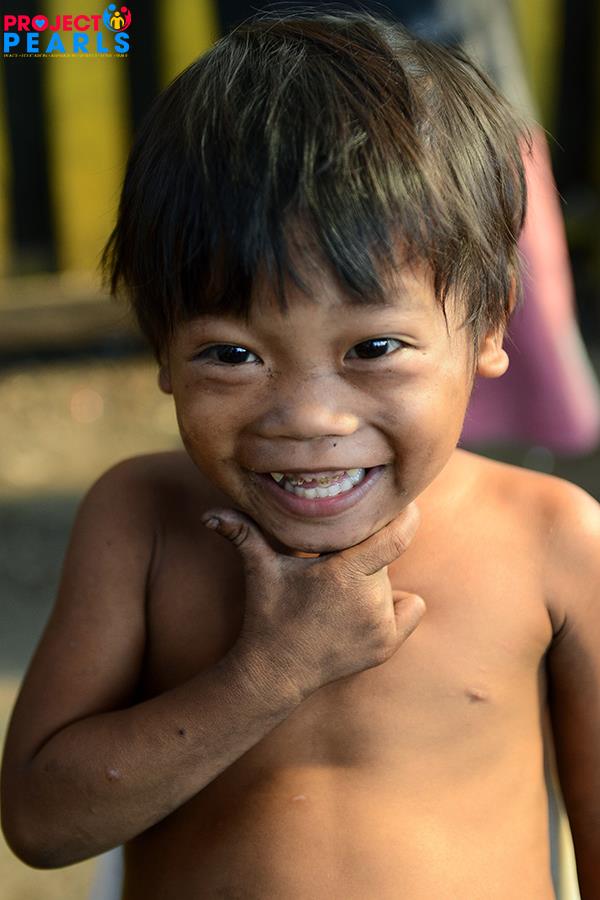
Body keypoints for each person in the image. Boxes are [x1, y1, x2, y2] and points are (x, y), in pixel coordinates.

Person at [2, 10, 599, 898]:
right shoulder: (143, 523)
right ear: (162, 345)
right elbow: (41, 825)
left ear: (490, 323)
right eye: (232, 354)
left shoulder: (553, 541)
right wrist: (268, 675)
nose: (310, 418)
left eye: (374, 348)